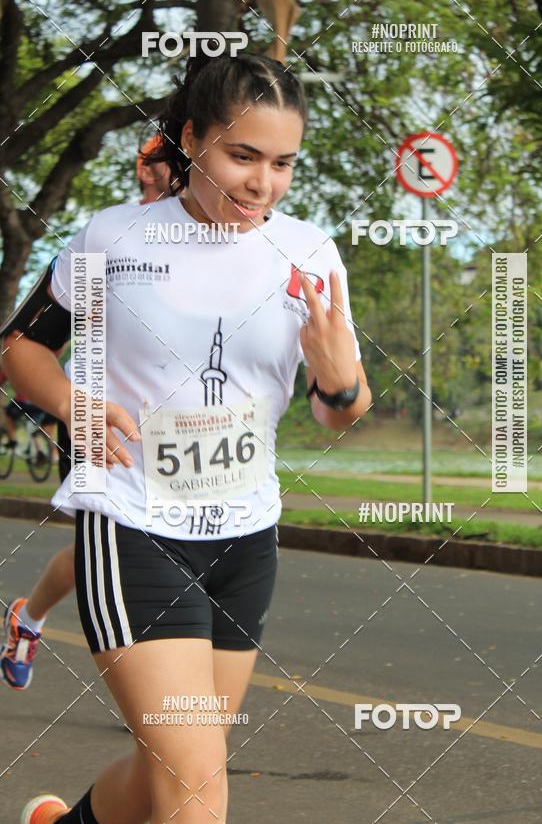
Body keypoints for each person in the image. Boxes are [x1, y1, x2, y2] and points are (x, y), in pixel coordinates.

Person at [2, 49, 371, 824]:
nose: (261, 184)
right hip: (133, 524)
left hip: (246, 538)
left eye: (281, 164)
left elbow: (339, 410)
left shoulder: (306, 253)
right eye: (242, 156)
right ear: (192, 138)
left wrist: (339, 383)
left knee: (167, 769)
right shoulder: (115, 240)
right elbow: (20, 347)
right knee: (198, 790)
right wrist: (73, 403)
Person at [0, 137, 176, 691]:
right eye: (176, 164)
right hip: (94, 411)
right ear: (148, 169)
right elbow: (32, 337)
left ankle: (27, 617)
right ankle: (160, 691)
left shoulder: (217, 241)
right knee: (125, 542)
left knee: (140, 544)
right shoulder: (109, 236)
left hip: (175, 425)